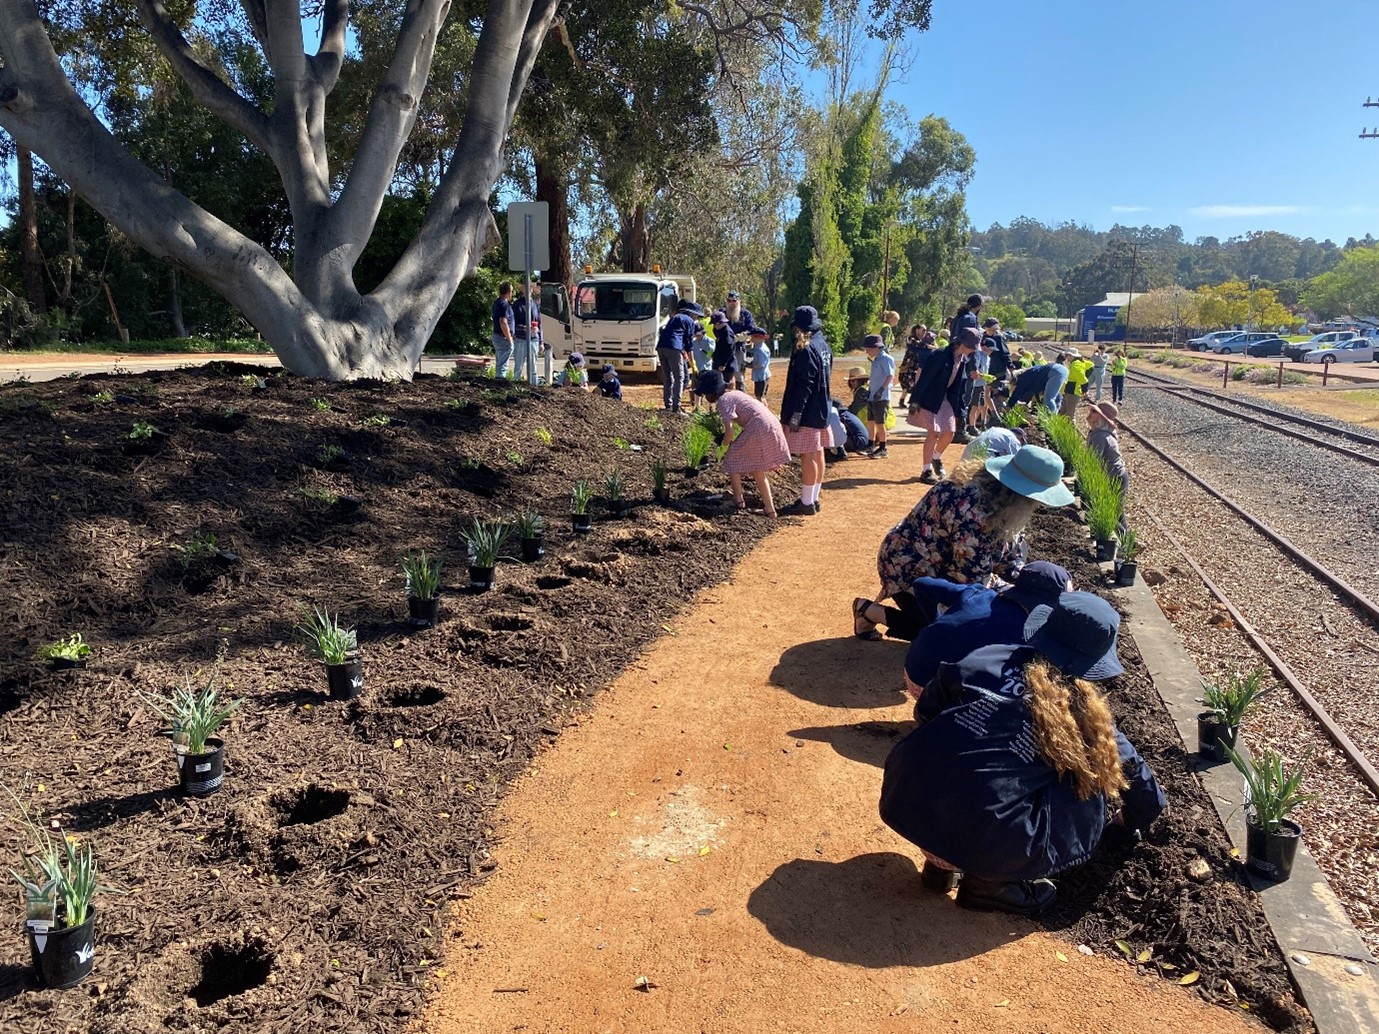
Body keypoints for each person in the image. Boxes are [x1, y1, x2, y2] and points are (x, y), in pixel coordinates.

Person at [879, 592, 1166, 914]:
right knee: (1086, 781)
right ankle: (991, 884)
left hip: (907, 801)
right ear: (1093, 662)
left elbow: (928, 710)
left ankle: (939, 869)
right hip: (977, 837)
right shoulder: (1084, 715)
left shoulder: (985, 658)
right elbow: (1139, 782)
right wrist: (1129, 823)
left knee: (961, 754)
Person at [852, 445, 1074, 641]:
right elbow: (969, 587)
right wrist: (1013, 599)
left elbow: (1008, 557)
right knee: (952, 634)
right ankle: (868, 611)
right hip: (909, 568)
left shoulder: (999, 498)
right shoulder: (975, 513)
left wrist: (1039, 585)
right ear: (1021, 493)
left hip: (945, 566)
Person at [902, 561, 1074, 691]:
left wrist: (935, 620)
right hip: (935, 689)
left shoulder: (978, 593)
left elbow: (922, 584)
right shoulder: (1027, 634)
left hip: (912, 668)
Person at [697, 370, 789, 518]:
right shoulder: (734, 393)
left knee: (731, 458)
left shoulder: (723, 401)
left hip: (759, 427)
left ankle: (738, 500)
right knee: (757, 468)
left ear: (712, 392)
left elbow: (730, 432)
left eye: (706, 394)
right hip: (771, 424)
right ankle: (770, 510)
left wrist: (723, 449)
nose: (705, 397)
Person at [907, 326, 980, 484]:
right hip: (930, 397)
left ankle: (936, 458)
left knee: (950, 432)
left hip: (946, 398)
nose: (973, 351)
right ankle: (926, 471)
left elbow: (957, 389)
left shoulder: (962, 360)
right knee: (933, 432)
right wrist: (915, 400)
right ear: (963, 344)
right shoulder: (940, 355)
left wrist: (960, 411)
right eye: (972, 347)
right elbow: (925, 378)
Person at [779, 306, 832, 516]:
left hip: (808, 411)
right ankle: (813, 497)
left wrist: (796, 413)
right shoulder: (824, 345)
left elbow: (805, 383)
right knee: (817, 452)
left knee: (808, 454)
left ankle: (806, 502)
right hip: (822, 408)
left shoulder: (806, 348)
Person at [1086, 401, 1130, 528]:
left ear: (1101, 418)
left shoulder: (1100, 436)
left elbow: (1093, 462)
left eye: (1094, 412)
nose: (1090, 414)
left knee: (1109, 512)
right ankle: (1128, 543)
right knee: (1117, 511)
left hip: (1114, 477)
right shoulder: (1098, 433)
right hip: (1117, 475)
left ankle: (1127, 541)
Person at [657, 299, 700, 412]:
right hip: (674, 348)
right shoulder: (689, 321)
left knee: (667, 377)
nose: (697, 318)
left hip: (661, 347)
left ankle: (668, 404)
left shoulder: (675, 317)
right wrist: (693, 364)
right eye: (697, 316)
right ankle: (676, 407)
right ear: (693, 313)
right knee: (679, 377)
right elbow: (689, 344)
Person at [862, 333, 894, 459]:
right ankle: (870, 445)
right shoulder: (876, 360)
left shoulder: (886, 359)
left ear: (877, 347)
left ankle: (882, 447)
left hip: (881, 397)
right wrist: (870, 392)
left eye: (869, 349)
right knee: (871, 421)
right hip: (873, 396)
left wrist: (881, 390)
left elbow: (890, 376)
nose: (867, 351)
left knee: (880, 423)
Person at [512, 281, 541, 384]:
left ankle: (534, 387)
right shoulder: (517, 305)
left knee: (533, 367)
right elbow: (512, 324)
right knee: (518, 366)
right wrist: (524, 328)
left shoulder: (536, 306)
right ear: (522, 291)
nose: (528, 290)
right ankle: (515, 386)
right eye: (525, 288)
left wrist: (541, 341)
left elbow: (540, 324)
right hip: (520, 339)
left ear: (532, 290)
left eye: (530, 288)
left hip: (534, 340)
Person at [898, 325, 931, 408]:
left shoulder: (922, 341)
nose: (925, 332)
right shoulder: (911, 339)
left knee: (914, 384)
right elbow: (919, 345)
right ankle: (902, 400)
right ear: (917, 330)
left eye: (926, 330)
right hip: (909, 365)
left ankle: (911, 401)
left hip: (917, 365)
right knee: (908, 384)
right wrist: (929, 346)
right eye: (923, 330)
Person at [491, 281, 515, 379]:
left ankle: (498, 380)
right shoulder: (504, 305)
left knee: (500, 362)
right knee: (503, 364)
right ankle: (500, 382)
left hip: (497, 336)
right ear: (509, 292)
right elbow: (503, 322)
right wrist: (509, 338)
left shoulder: (497, 302)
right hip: (503, 337)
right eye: (512, 291)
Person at [960, 425, 1024, 462]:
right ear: (1020, 437)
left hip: (964, 463)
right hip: (979, 466)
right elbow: (1018, 462)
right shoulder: (1013, 439)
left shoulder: (996, 430)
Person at [1060, 349, 1091, 417]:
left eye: (1067, 355)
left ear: (1071, 356)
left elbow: (1083, 379)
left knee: (1069, 415)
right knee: (1062, 412)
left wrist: (1084, 391)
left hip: (1073, 391)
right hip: (1069, 391)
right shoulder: (1078, 363)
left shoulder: (1075, 364)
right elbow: (1091, 365)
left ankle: (1070, 427)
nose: (1066, 357)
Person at [749, 327, 773, 400]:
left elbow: (760, 365)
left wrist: (748, 365)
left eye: (752, 336)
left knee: (760, 397)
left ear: (758, 337)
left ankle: (763, 411)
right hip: (761, 376)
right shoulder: (758, 347)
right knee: (760, 396)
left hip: (762, 377)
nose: (751, 338)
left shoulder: (761, 350)